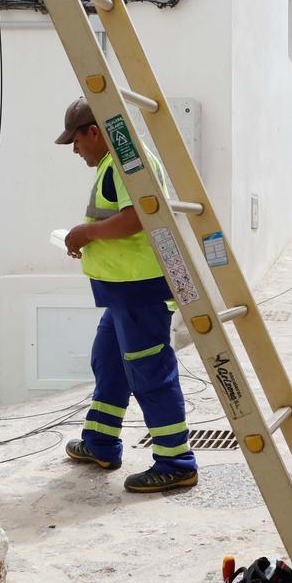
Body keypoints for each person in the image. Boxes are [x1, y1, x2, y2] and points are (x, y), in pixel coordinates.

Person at [56, 97, 198, 493]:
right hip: (122, 292)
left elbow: (136, 218)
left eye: (76, 139)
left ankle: (175, 461)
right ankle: (101, 443)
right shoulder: (114, 162)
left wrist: (84, 234)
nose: (74, 148)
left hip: (139, 292)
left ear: (95, 132)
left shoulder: (123, 161)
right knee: (109, 363)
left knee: (149, 374)